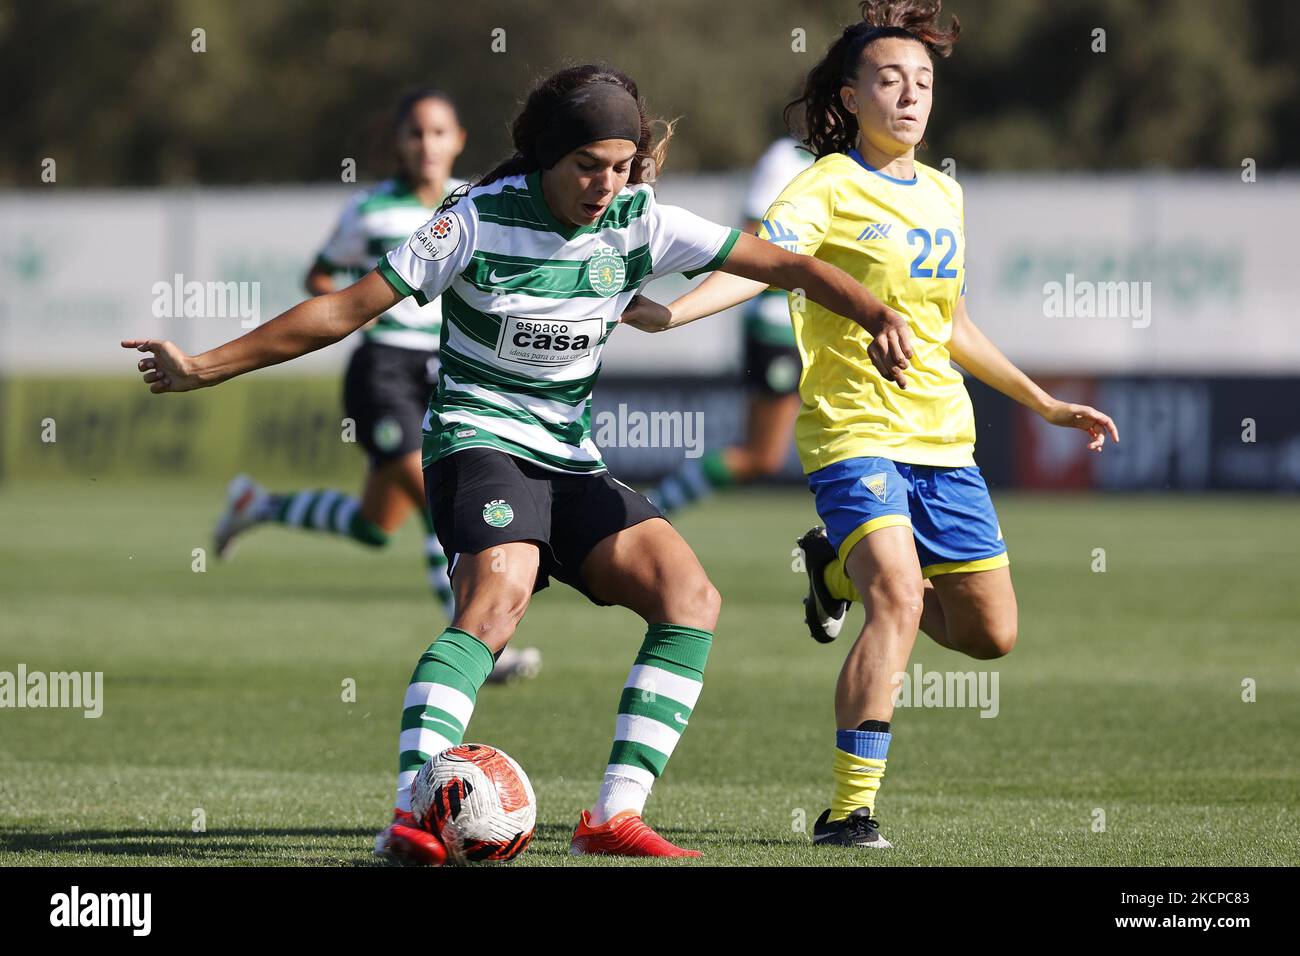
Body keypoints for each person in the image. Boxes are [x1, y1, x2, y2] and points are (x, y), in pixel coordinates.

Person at [124, 64, 912, 862]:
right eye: (587, 166)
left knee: (691, 596)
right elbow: (342, 307)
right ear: (546, 157)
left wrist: (877, 311)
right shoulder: (471, 220)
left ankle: (613, 817)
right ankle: (410, 814)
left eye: (621, 165)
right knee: (497, 602)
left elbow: (789, 265)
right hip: (477, 441)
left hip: (569, 457)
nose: (605, 184)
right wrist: (206, 367)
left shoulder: (642, 221)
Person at [630, 0, 1118, 850]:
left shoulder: (944, 193)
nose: (910, 94)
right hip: (853, 431)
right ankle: (848, 810)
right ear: (850, 96)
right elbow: (763, 265)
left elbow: (952, 326)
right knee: (900, 596)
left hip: (944, 441)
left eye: (923, 81)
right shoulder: (824, 184)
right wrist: (672, 318)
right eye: (889, 80)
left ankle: (833, 570)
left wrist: (1042, 402)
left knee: (990, 636)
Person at [644, 135, 812, 513]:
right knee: (762, 454)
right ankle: (653, 508)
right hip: (780, 325)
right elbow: (754, 240)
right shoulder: (787, 157)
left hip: (832, 328)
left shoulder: (855, 161)